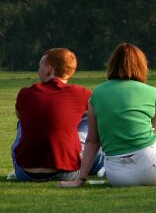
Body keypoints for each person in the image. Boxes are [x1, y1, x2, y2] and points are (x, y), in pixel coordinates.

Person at [60, 43, 156, 187]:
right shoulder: (153, 93)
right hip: (153, 163)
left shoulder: (97, 94)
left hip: (118, 175)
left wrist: (80, 179)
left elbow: (92, 141)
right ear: (142, 65)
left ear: (112, 64)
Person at [11, 48, 104, 182]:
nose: (38, 71)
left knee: (23, 122)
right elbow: (100, 114)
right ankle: (100, 164)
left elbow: (19, 115)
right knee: (90, 118)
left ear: (49, 68)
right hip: (67, 173)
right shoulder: (80, 93)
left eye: (40, 67)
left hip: (26, 173)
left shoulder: (26, 93)